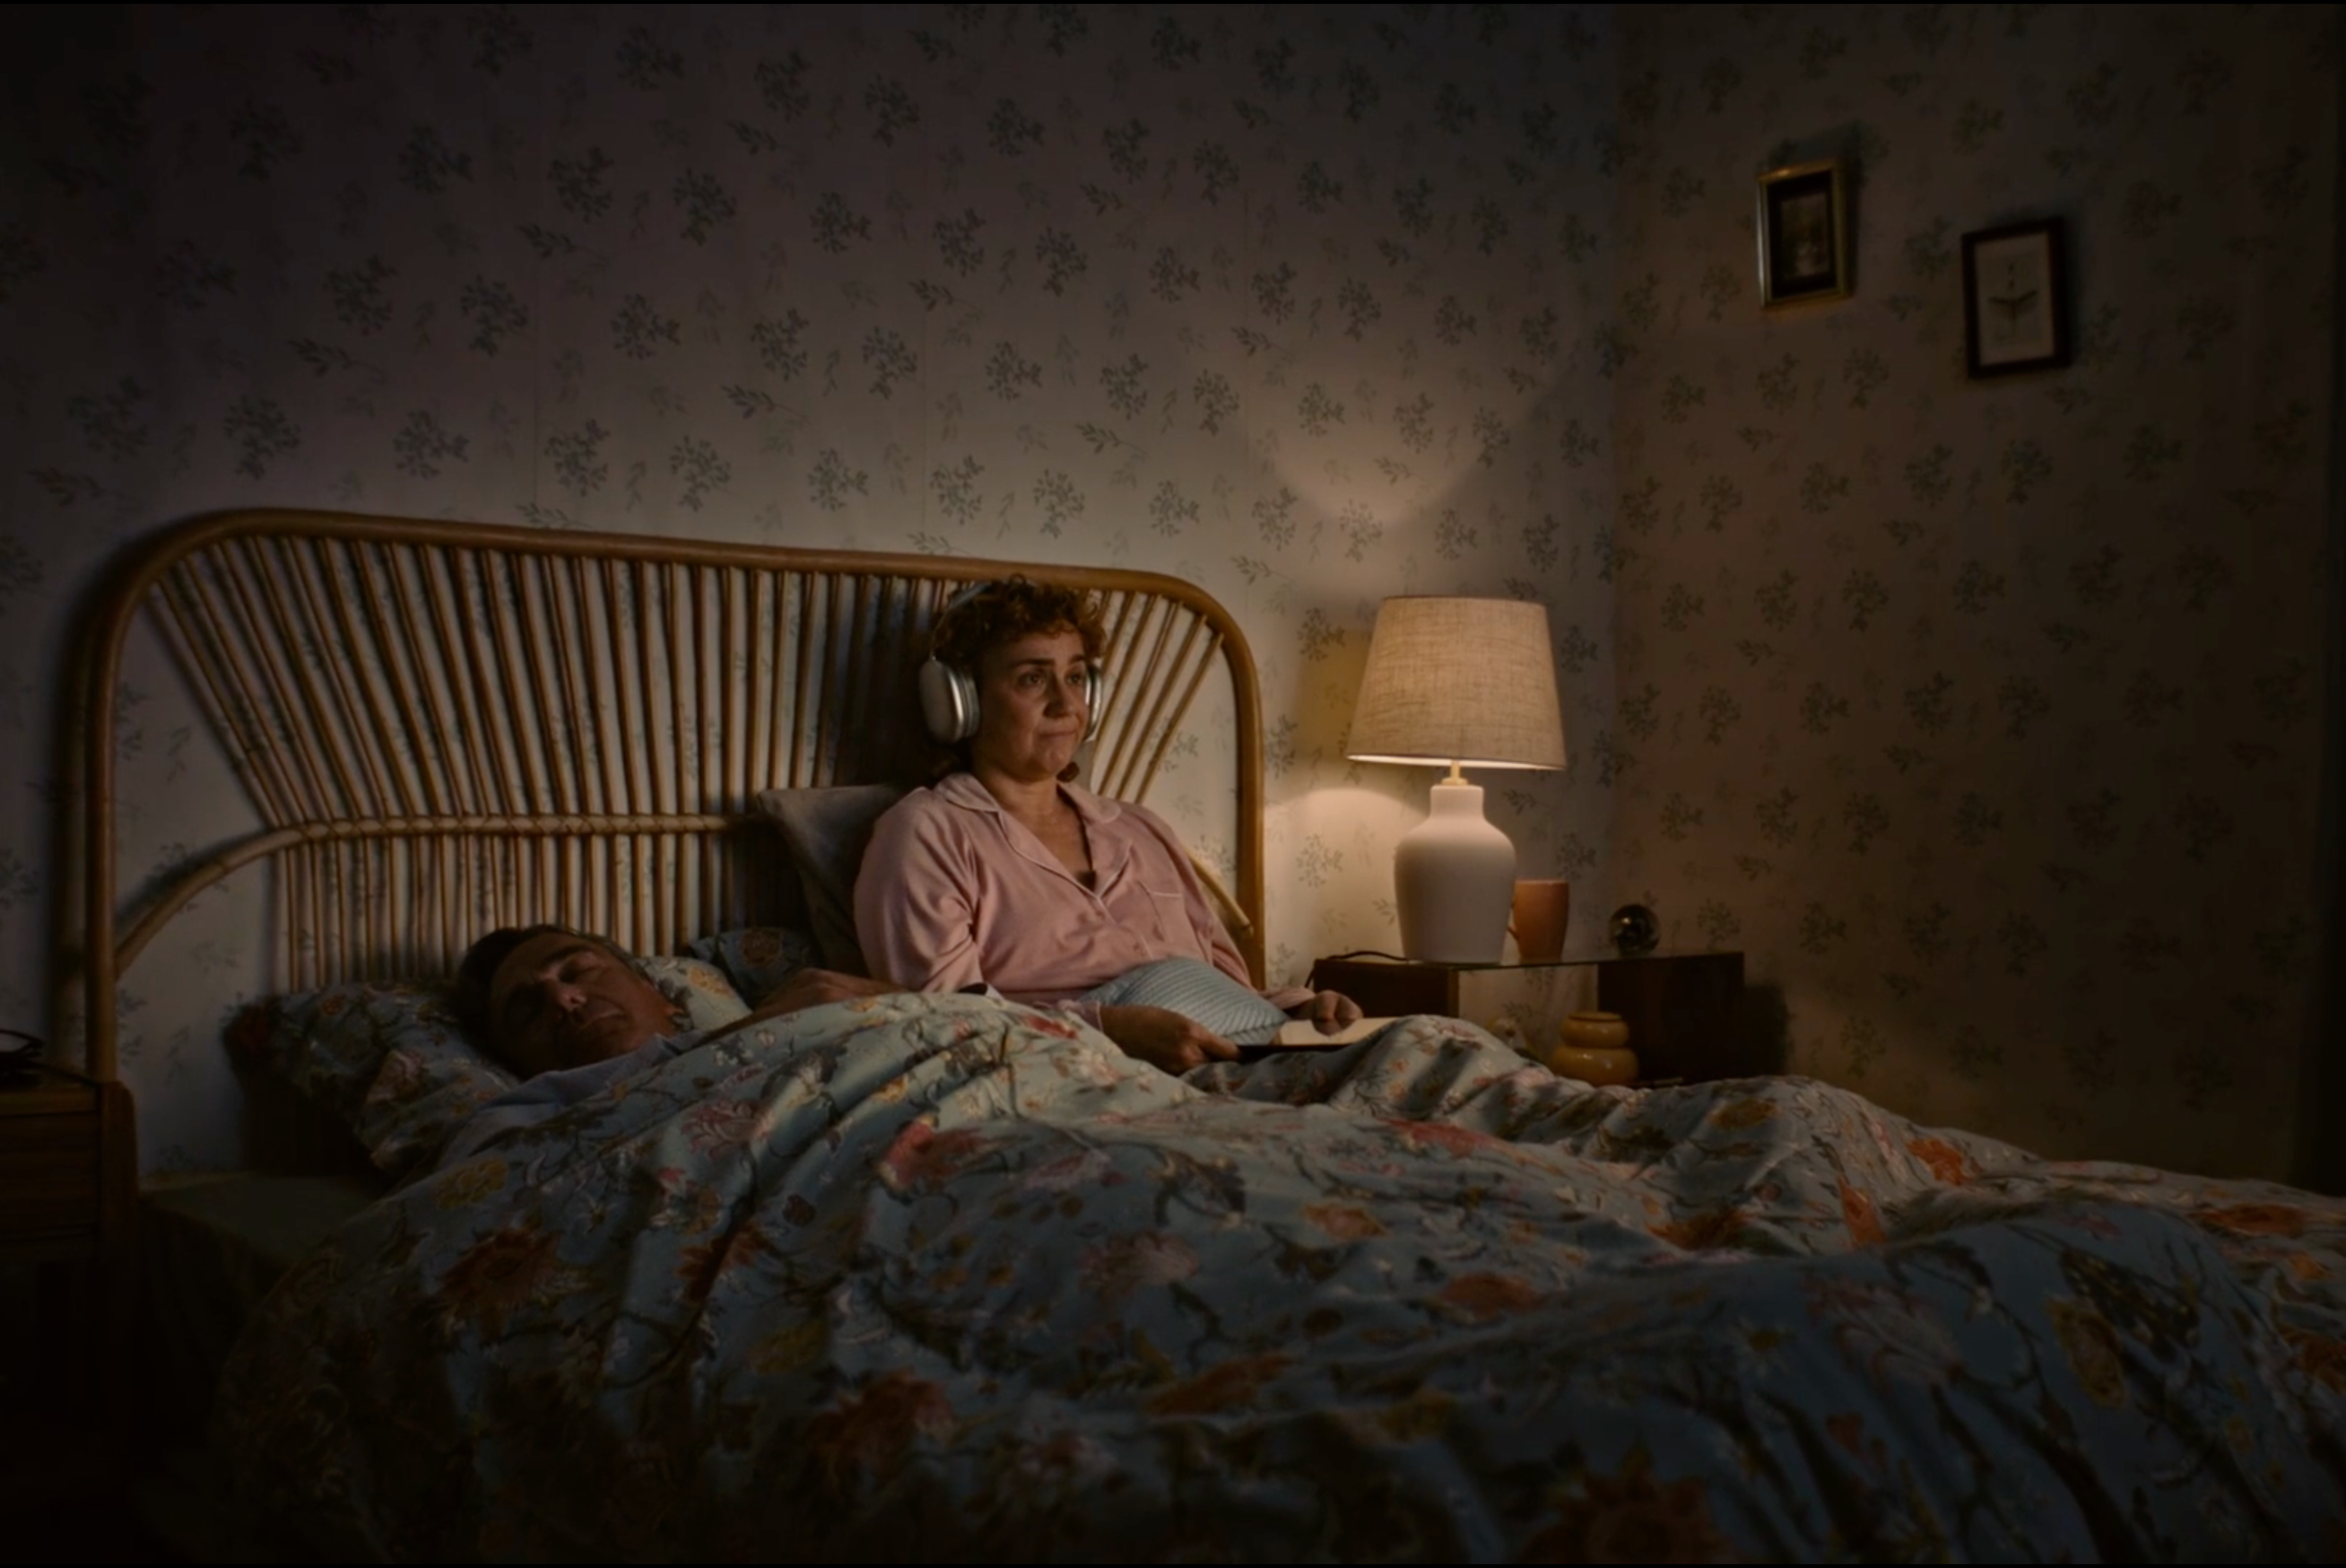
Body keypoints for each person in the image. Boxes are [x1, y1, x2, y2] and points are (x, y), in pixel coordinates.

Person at [853, 577, 1359, 1074]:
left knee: (1407, 1044)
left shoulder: (1141, 828)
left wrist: (1303, 1011)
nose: (1066, 704)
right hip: (1088, 1077)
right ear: (960, 702)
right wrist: (1110, 1031)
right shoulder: (925, 834)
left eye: (1075, 677)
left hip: (1241, 1054)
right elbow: (949, 1026)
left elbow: (1232, 988)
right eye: (1033, 679)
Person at [440, 923, 892, 1165]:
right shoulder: (512, 1121)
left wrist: (896, 1003)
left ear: (657, 992)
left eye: (578, 971)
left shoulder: (809, 1006)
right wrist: (748, 1037)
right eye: (527, 1010)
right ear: (515, 1062)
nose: (562, 998)